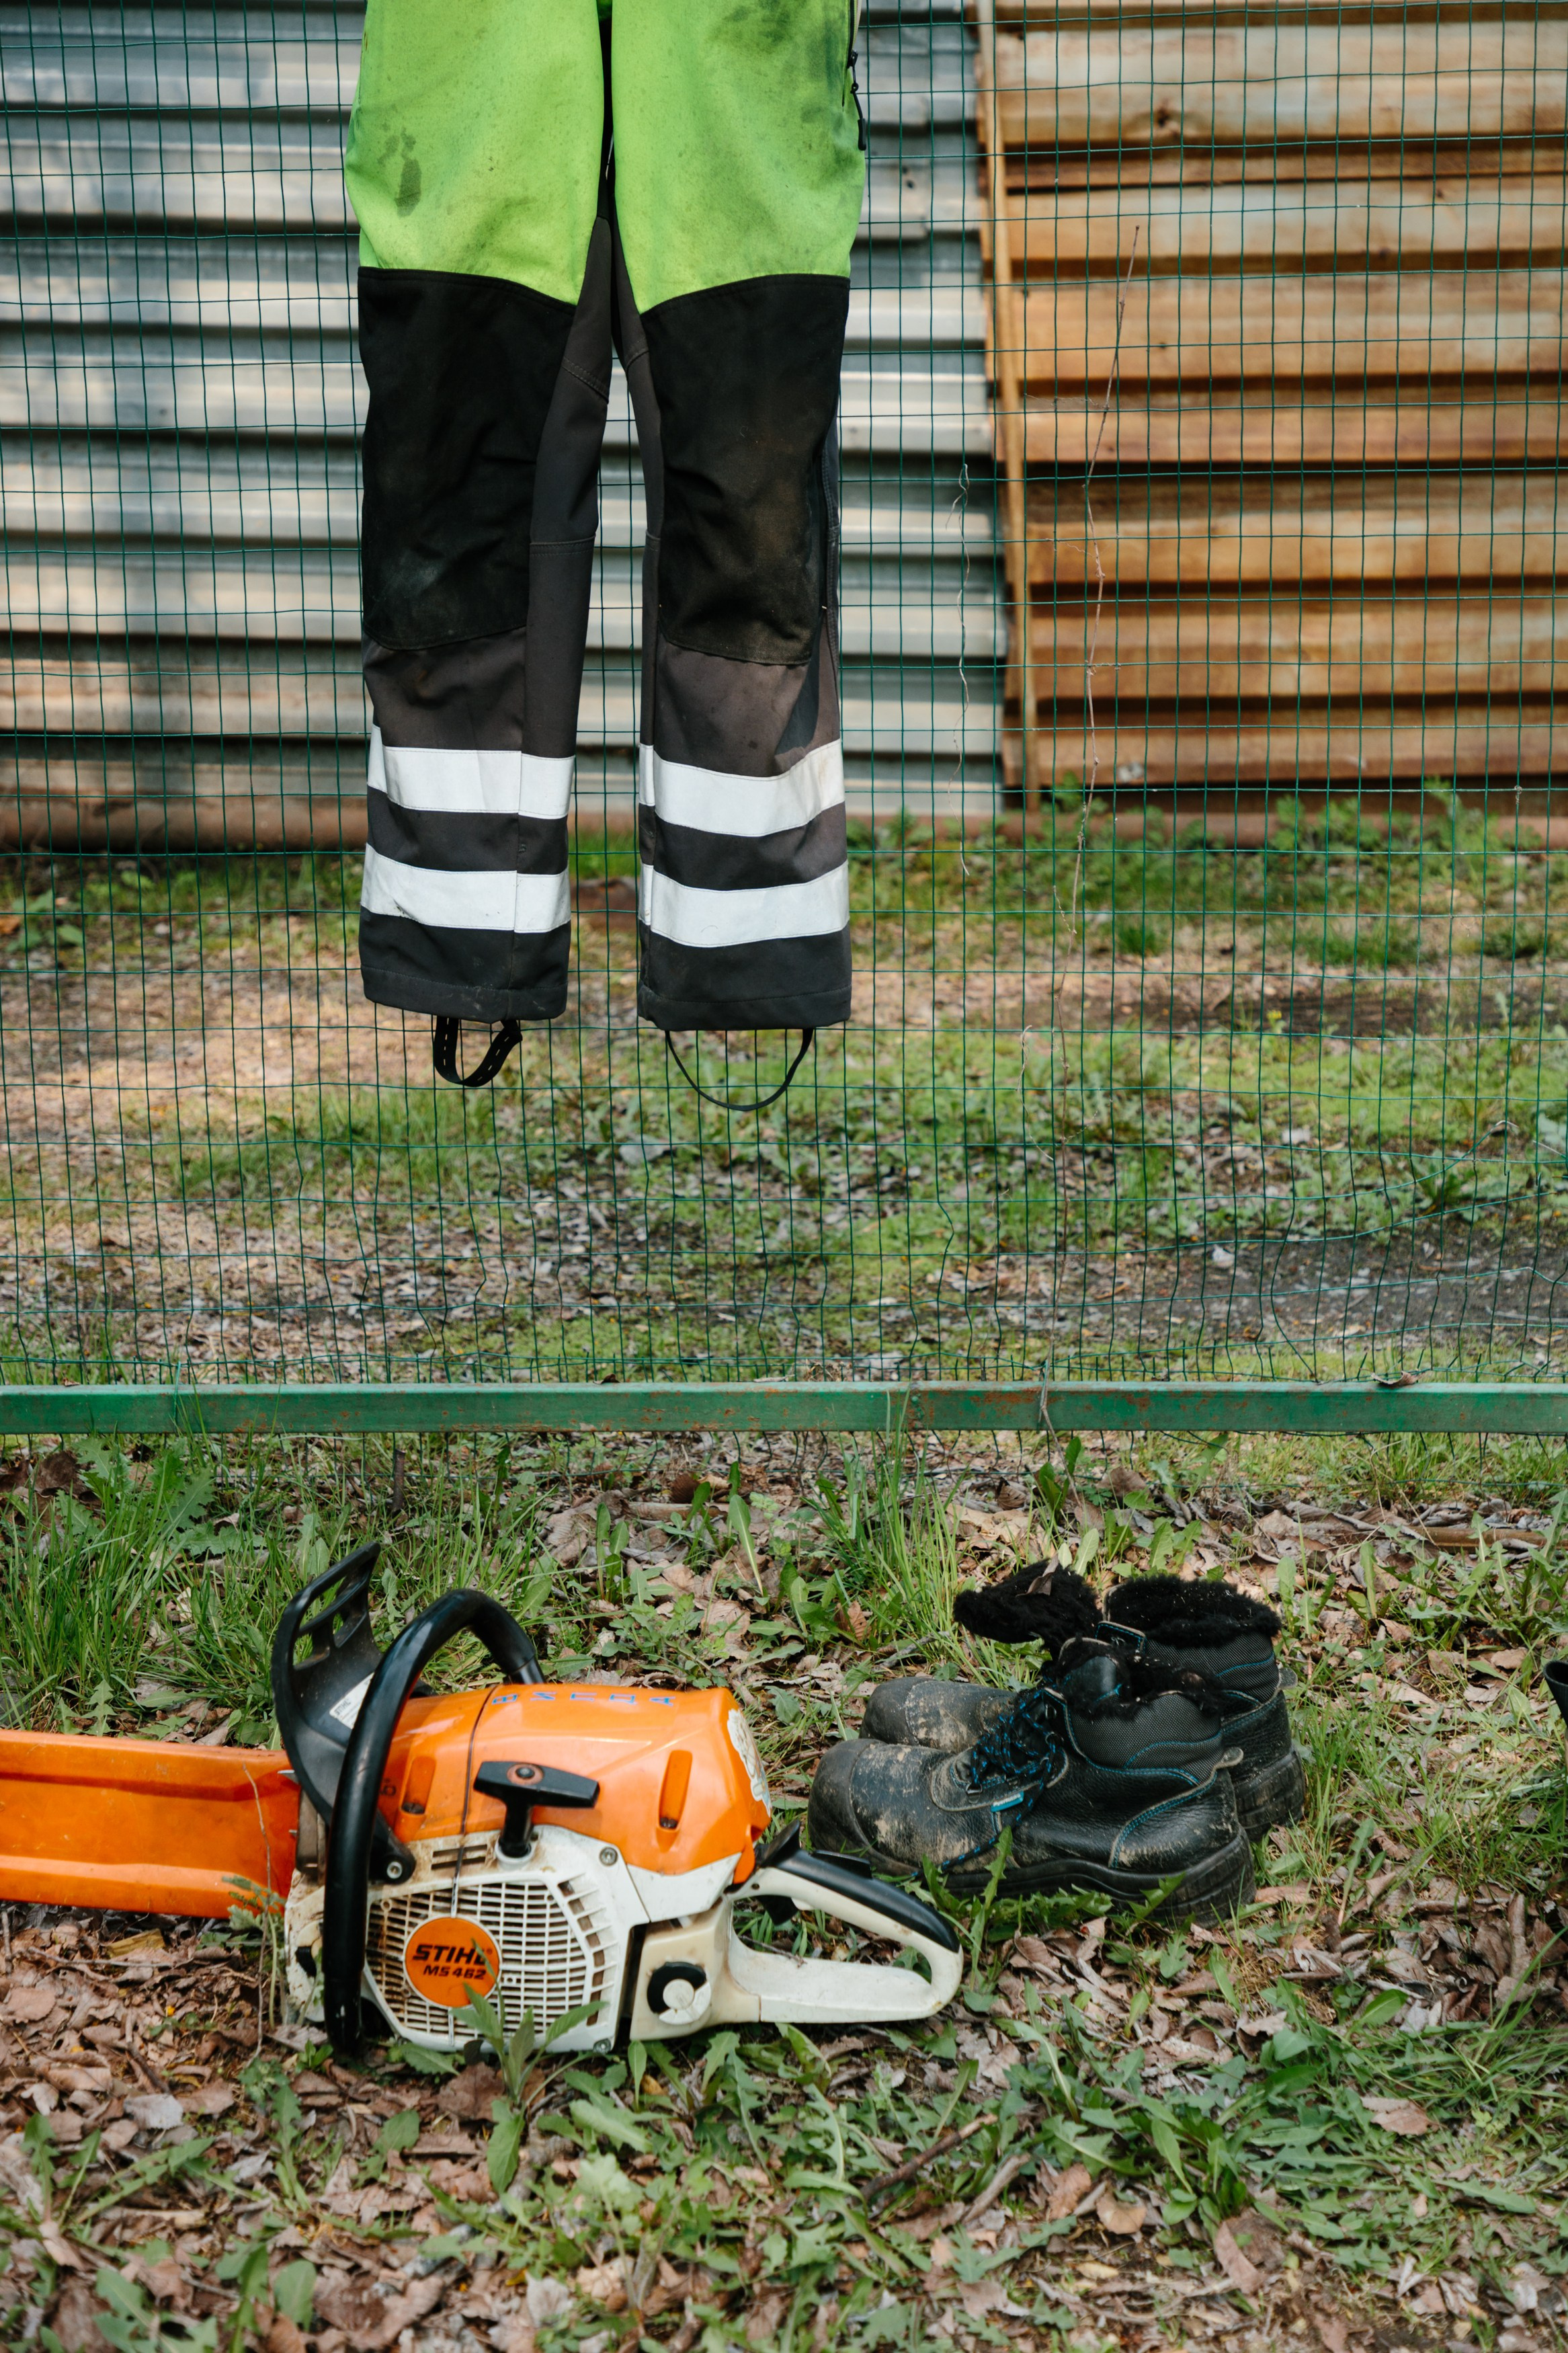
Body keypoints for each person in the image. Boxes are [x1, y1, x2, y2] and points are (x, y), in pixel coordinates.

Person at [344, 0, 867, 1084]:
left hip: (714, 90)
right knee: (459, 545)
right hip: (491, 91)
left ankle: (746, 950)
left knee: (749, 549)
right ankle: (467, 944)